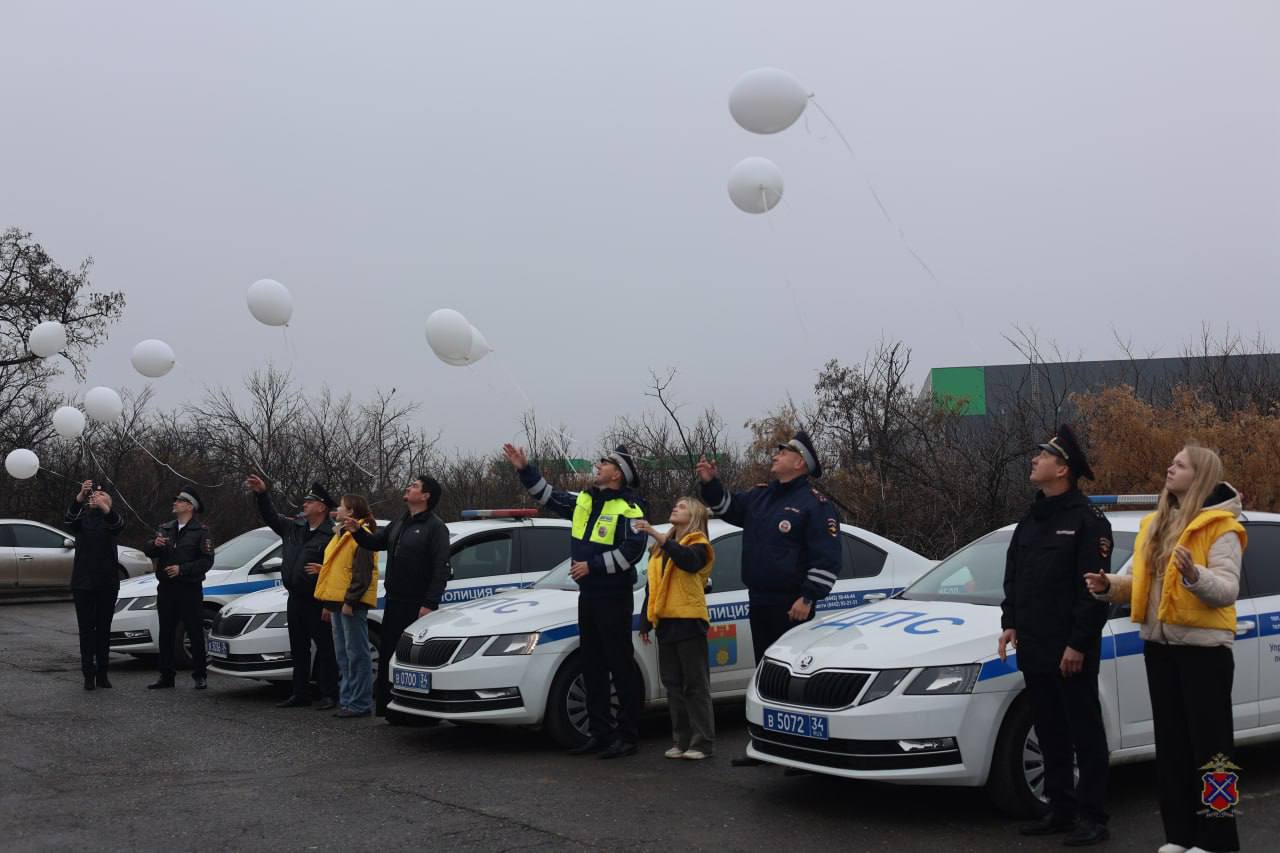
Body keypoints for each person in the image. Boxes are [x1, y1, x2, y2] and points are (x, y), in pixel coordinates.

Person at [1085, 446, 1245, 853]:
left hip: (1204, 653)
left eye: (1179, 465)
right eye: (1171, 463)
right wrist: (1111, 587)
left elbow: (1226, 590)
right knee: (1171, 746)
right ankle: (1180, 836)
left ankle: (1218, 839)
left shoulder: (1221, 527)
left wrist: (1195, 575)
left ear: (1200, 475)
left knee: (1213, 752)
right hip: (1159, 648)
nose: (1169, 469)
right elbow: (1145, 585)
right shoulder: (1155, 524)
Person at [696, 429, 841, 766]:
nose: (775, 455)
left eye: (783, 452)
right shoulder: (761, 497)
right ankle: (766, 745)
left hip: (792, 605)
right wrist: (710, 482)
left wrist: (808, 597)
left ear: (799, 463)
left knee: (793, 679)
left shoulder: (815, 505)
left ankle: (797, 751)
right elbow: (727, 506)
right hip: (759, 599)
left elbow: (828, 559)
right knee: (765, 674)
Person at [998, 425, 1112, 846]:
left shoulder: (1087, 521)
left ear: (1062, 469)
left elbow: (1093, 591)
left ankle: (1093, 816)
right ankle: (1059, 808)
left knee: (1084, 730)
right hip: (1035, 643)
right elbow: (1014, 576)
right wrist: (1009, 621)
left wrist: (1078, 643)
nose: (1033, 460)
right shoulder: (1032, 518)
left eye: (1041, 456)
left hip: (1069, 647)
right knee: (1049, 731)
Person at [504, 442, 648, 759]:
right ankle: (599, 733)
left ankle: (627, 736)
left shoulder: (630, 508)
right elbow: (548, 496)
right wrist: (524, 468)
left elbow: (633, 552)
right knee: (592, 663)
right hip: (589, 596)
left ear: (618, 476)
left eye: (606, 462)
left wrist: (592, 565)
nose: (598, 464)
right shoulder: (584, 500)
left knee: (620, 665)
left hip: (614, 596)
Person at [345, 475, 450, 718]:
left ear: (425, 496)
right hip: (394, 601)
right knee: (389, 657)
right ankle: (389, 709)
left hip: (416, 605)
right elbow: (376, 543)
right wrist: (357, 531)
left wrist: (429, 603)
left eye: (414, 486)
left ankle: (416, 713)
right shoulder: (400, 522)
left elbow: (441, 568)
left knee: (413, 660)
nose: (408, 487)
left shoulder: (435, 527)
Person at [245, 476, 340, 710]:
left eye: (310, 501)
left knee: (326, 648)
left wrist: (329, 601)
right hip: (295, 597)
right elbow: (270, 516)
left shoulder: (332, 535)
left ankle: (330, 694)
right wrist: (262, 494)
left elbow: (338, 570)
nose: (304, 504)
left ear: (322, 507)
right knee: (298, 647)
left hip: (318, 599)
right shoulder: (294, 528)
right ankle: (300, 693)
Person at [636, 497, 716, 760]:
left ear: (693, 515)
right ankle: (681, 740)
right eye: (675, 504)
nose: (675, 508)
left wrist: (657, 536)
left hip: (689, 619)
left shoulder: (698, 543)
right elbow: (654, 586)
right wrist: (646, 621)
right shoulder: (661, 549)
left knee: (695, 684)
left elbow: (688, 561)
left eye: (681, 507)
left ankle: (702, 741)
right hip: (666, 621)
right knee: (673, 684)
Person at [313, 494, 379, 719]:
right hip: (337, 603)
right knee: (344, 654)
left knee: (357, 654)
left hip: (350, 604)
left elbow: (362, 574)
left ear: (350, 512)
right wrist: (328, 603)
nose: (337, 510)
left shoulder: (361, 537)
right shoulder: (340, 535)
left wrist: (350, 601)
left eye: (341, 507)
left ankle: (359, 703)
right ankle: (349, 700)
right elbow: (334, 572)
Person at [142, 488, 214, 690]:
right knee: (165, 632)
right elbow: (148, 550)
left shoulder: (201, 532)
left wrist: (182, 569)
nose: (175, 503)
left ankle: (200, 675)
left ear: (190, 506)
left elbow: (207, 561)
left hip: (189, 589)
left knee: (194, 631)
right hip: (166, 588)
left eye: (180, 501)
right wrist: (153, 544)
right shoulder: (165, 528)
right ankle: (166, 676)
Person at [64, 480, 125, 690]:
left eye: (101, 496)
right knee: (86, 630)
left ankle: (103, 673)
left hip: (107, 583)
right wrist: (80, 496)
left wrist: (104, 506)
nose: (95, 498)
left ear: (108, 502)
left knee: (103, 630)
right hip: (83, 583)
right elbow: (69, 518)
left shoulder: (111, 519)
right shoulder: (82, 519)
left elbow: (117, 525)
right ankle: (88, 673)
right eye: (93, 496)